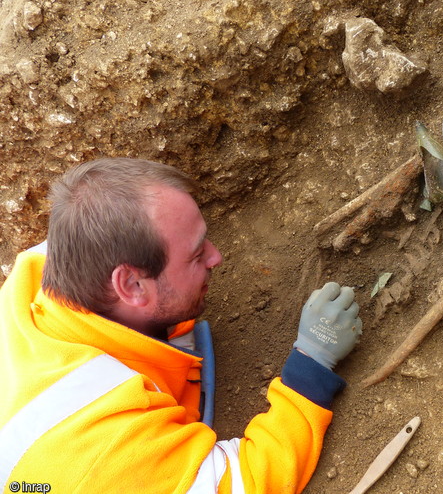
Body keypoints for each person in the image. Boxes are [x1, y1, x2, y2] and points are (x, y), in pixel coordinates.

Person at [0, 158, 363, 493]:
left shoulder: (41, 265)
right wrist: (312, 363)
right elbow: (246, 481)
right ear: (131, 286)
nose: (216, 256)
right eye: (195, 254)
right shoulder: (105, 451)